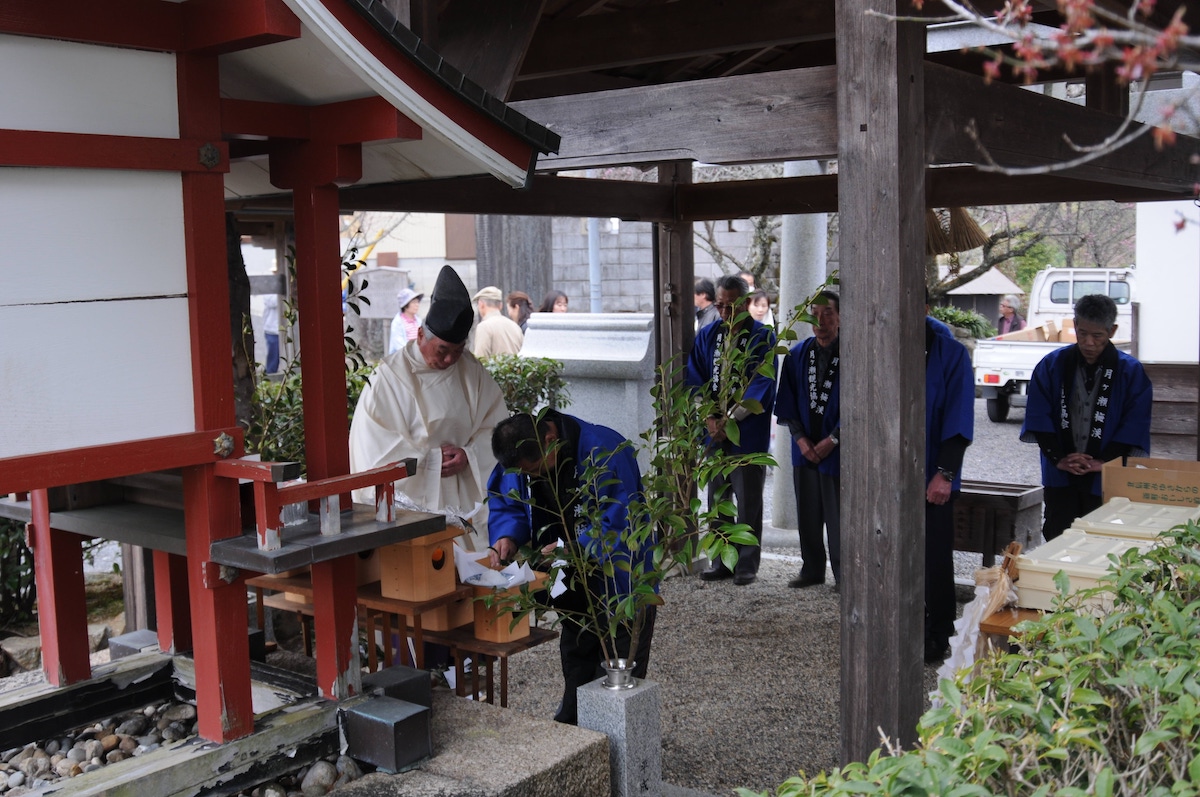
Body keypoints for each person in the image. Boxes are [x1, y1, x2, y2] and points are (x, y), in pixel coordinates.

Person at [487, 410, 655, 725]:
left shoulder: (603, 450)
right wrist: (506, 535)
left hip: (616, 579)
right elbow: (507, 501)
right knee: (576, 648)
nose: (532, 477)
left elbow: (622, 522)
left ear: (550, 440)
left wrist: (573, 549)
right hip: (565, 575)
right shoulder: (523, 454)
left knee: (617, 659)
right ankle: (573, 724)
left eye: (535, 470)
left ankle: (610, 734)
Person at [349, 265, 508, 523]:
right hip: (415, 502)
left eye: (458, 351)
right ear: (421, 335)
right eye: (442, 350)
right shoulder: (389, 377)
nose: (449, 359)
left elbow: (497, 427)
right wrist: (430, 461)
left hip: (463, 491)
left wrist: (469, 455)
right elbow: (374, 447)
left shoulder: (471, 371)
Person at [1020, 294, 1152, 542]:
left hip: (1107, 473)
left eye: (1097, 336)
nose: (1089, 342)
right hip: (1060, 472)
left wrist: (1105, 461)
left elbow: (1135, 422)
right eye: (1082, 334)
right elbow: (1039, 414)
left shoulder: (1130, 371)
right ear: (1075, 325)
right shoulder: (1052, 365)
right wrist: (1059, 458)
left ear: (1111, 330)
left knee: (1103, 539)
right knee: (1058, 535)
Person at [686, 274, 777, 586]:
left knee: (748, 499)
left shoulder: (762, 337)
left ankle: (747, 565)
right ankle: (722, 560)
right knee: (717, 498)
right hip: (712, 432)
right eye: (721, 305)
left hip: (746, 432)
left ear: (747, 303)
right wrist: (710, 418)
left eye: (731, 305)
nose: (724, 312)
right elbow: (695, 377)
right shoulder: (708, 334)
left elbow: (761, 385)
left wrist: (730, 420)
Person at [775, 291, 841, 590]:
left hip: (839, 450)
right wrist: (800, 439)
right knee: (808, 514)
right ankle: (812, 569)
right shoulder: (797, 354)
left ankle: (844, 575)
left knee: (841, 518)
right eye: (814, 313)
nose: (820, 320)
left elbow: (861, 405)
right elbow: (786, 402)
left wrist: (834, 439)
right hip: (804, 450)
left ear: (840, 316)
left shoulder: (854, 353)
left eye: (827, 312)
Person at [924, 308, 975, 663]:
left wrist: (945, 473)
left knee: (934, 557)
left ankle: (937, 633)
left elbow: (959, 417)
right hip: (884, 476)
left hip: (932, 472)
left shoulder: (950, 353)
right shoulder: (874, 343)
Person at [472, 286, 524, 358]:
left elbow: (480, 360)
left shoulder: (484, 327)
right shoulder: (515, 326)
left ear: (481, 304)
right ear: (500, 306)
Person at [387, 287, 423, 355]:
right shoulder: (397, 323)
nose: (417, 305)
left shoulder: (418, 321)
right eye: (413, 302)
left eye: (417, 302)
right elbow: (399, 345)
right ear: (405, 305)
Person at [262, 293, 280, 374]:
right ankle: (270, 378)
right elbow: (273, 302)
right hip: (272, 330)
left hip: (281, 329)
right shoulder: (269, 291)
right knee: (273, 359)